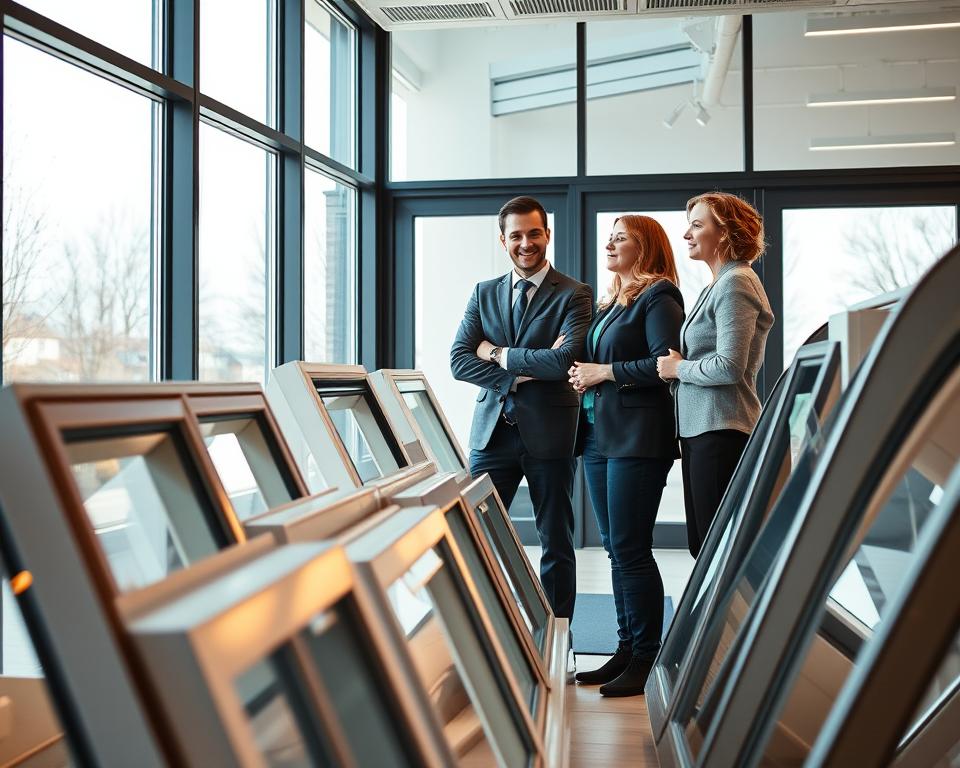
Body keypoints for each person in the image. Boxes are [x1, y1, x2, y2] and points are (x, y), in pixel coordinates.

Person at [450, 196, 593, 622]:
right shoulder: (484, 292)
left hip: (550, 434)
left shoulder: (575, 294)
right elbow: (459, 361)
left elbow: (564, 361)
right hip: (491, 434)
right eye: (516, 236)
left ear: (547, 235)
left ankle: (558, 635)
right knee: (474, 534)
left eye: (533, 234)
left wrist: (497, 353)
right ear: (503, 241)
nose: (525, 243)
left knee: (556, 541)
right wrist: (516, 375)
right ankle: (483, 629)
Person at [567, 216, 684, 697]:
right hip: (600, 436)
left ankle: (646, 656)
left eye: (621, 238)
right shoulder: (611, 303)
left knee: (631, 548)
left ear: (645, 247)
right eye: (610, 237)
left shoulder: (659, 296)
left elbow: (664, 365)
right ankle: (625, 647)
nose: (610, 244)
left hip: (638, 438)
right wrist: (585, 374)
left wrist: (604, 372)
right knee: (616, 548)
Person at [657, 192, 774, 558]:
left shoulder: (736, 282)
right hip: (702, 429)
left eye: (696, 225)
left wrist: (678, 368)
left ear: (724, 232)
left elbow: (728, 366)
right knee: (704, 547)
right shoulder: (718, 283)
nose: (686, 234)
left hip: (722, 429)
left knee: (716, 549)